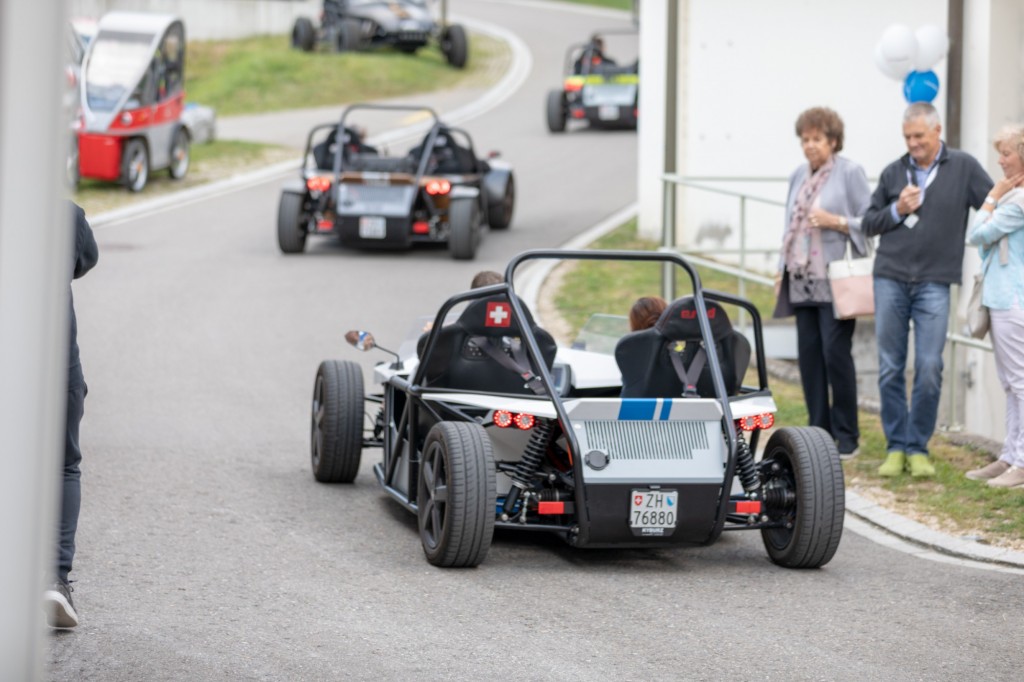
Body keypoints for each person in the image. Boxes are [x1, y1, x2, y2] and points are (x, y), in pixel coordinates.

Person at [862, 102, 993, 477]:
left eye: (919, 135)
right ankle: (895, 447)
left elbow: (990, 205)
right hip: (890, 277)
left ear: (937, 132)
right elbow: (869, 223)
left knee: (931, 366)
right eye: (907, 137)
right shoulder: (893, 172)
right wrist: (897, 210)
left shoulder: (964, 167)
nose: (913, 143)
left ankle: (917, 446)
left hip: (936, 281)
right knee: (889, 367)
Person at [773, 107, 871, 459]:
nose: (810, 146)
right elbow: (789, 226)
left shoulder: (850, 173)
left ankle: (848, 435)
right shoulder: (798, 174)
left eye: (817, 139)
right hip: (800, 278)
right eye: (805, 139)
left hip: (836, 280)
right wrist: (779, 270)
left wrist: (837, 221)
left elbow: (869, 220)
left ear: (832, 140)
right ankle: (819, 430)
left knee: (835, 353)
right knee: (809, 356)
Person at [44, 201, 98, 628]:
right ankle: (54, 579)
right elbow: (85, 260)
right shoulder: (65, 215)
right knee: (63, 466)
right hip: (56, 365)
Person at [964, 124, 1024, 488]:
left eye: (1006, 153)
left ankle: (1021, 461)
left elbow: (976, 235)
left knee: (1019, 382)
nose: (1000, 160)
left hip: (1011, 300)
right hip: (1003, 298)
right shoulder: (1013, 197)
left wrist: (991, 196)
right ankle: (1009, 455)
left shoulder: (1016, 201)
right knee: (1010, 382)